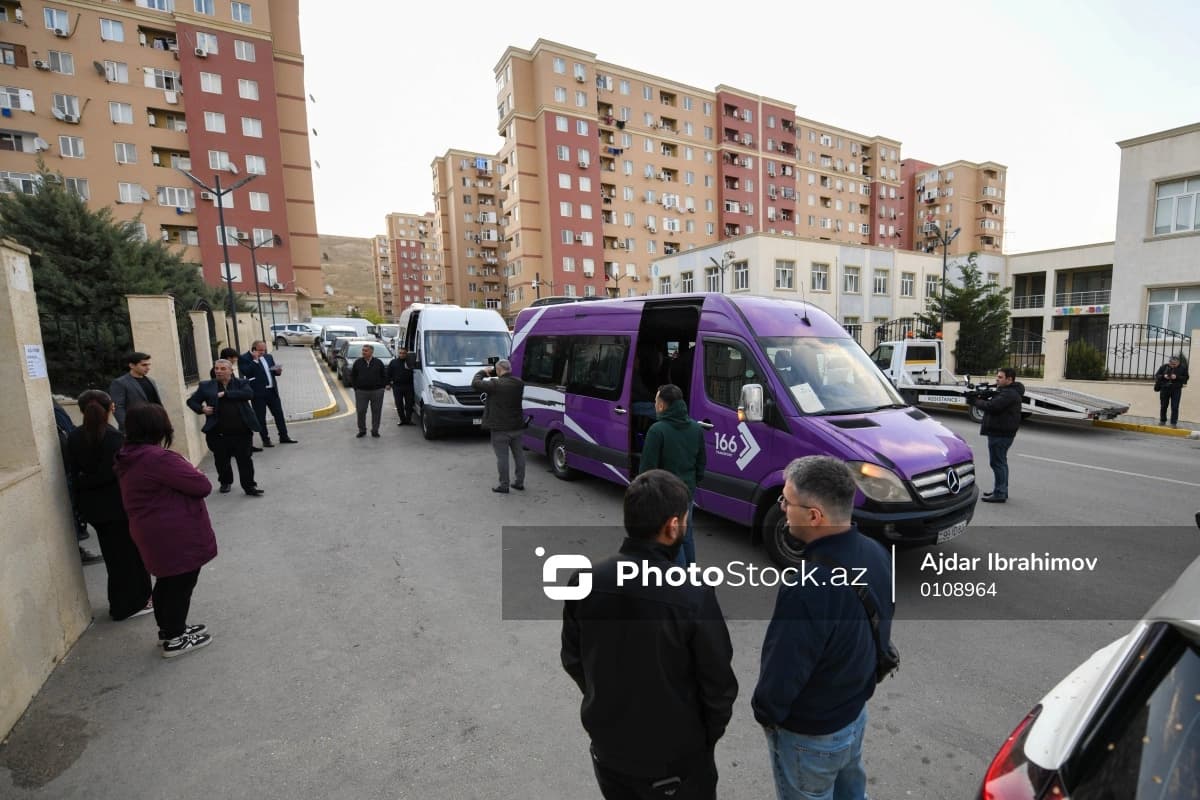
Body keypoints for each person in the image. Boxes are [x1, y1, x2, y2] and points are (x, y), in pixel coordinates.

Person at [562, 470, 738, 799]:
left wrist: (609, 703)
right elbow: (719, 687)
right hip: (677, 766)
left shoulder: (584, 580)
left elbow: (573, 659)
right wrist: (699, 741)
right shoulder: (693, 592)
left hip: (610, 752)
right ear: (673, 526)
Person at [752, 456, 894, 800]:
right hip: (853, 715)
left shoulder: (806, 586)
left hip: (810, 737)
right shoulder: (875, 552)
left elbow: (784, 670)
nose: (782, 508)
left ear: (814, 516)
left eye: (787, 501)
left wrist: (766, 714)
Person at [114, 404, 216, 659]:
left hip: (153, 530)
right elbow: (201, 485)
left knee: (168, 582)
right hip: (173, 532)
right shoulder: (158, 458)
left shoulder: (131, 454)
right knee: (180, 582)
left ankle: (171, 629)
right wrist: (193, 472)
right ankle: (174, 637)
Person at [66, 390, 153, 619]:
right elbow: (116, 473)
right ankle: (130, 604)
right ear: (111, 408)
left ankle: (128, 600)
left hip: (94, 508)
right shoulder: (114, 437)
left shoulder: (73, 437)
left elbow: (75, 474)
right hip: (118, 506)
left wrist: (85, 482)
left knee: (115, 556)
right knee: (129, 556)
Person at [639, 383, 706, 566]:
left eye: (655, 401)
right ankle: (691, 575)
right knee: (686, 536)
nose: (654, 404)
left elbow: (647, 470)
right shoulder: (695, 428)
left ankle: (680, 580)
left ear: (661, 405)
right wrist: (691, 483)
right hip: (687, 493)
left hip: (665, 497)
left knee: (671, 540)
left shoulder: (657, 430)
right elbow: (701, 463)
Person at [187, 359, 264, 497]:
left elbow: (249, 394)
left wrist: (226, 394)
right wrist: (202, 409)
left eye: (223, 369)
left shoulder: (241, 383)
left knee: (245, 460)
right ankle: (225, 482)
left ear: (231, 370)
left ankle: (249, 486)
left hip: (241, 431)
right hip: (218, 433)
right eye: (216, 368)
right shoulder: (206, 386)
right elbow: (191, 401)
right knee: (221, 460)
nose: (219, 371)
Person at [54, 400, 103, 564]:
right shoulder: (52, 408)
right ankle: (78, 549)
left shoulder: (53, 406)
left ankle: (79, 545)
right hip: (68, 468)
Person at [471, 358, 526, 493]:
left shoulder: (494, 384)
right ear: (510, 369)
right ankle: (519, 482)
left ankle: (504, 485)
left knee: (502, 458)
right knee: (519, 455)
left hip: (500, 429)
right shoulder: (519, 383)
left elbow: (475, 383)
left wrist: (483, 372)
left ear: (499, 369)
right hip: (517, 427)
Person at [974, 366, 1025, 504]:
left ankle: (1000, 493)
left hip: (1000, 433)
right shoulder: (1007, 391)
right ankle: (1001, 490)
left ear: (1009, 379)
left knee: (997, 463)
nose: (997, 379)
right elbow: (995, 402)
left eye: (1000, 377)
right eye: (997, 376)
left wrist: (975, 401)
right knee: (1001, 462)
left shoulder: (1009, 394)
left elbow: (992, 407)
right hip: (1002, 432)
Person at [238, 340, 298, 447]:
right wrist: (255, 361)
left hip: (272, 391)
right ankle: (265, 440)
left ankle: (284, 436)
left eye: (264, 350)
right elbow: (246, 372)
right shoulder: (244, 358)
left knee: (279, 414)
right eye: (260, 350)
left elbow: (273, 371)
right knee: (261, 418)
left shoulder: (268, 357)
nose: (263, 352)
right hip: (258, 394)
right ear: (253, 349)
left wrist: (278, 371)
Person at [108, 351, 162, 431]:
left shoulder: (151, 381)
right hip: (135, 429)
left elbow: (157, 403)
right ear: (132, 365)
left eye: (148, 365)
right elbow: (118, 408)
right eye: (144, 365)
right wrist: (128, 427)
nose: (148, 368)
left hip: (154, 427)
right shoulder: (120, 383)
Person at [350, 343, 387, 438]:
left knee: (376, 411)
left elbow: (384, 375)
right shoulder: (358, 362)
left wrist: (382, 388)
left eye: (366, 351)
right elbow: (353, 376)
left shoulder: (378, 362)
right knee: (361, 411)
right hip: (361, 392)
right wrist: (356, 388)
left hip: (377, 391)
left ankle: (375, 430)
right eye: (363, 350)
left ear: (371, 352)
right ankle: (362, 430)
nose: (363, 352)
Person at [1155, 355, 1189, 427]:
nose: (1172, 365)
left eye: (1174, 364)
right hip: (1165, 388)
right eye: (1171, 363)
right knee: (1164, 405)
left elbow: (1186, 378)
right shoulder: (1164, 367)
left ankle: (1173, 423)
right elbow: (1157, 375)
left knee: (1175, 406)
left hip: (1176, 389)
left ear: (1178, 363)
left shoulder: (1183, 368)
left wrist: (1177, 377)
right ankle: (1162, 420)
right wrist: (1163, 376)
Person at [387, 346, 416, 425]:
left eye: (404, 353)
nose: (402, 355)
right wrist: (388, 384)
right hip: (397, 386)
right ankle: (402, 420)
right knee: (399, 404)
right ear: (398, 353)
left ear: (406, 354)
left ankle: (408, 420)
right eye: (400, 353)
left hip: (409, 386)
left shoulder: (410, 362)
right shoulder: (393, 362)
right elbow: (388, 373)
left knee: (409, 404)